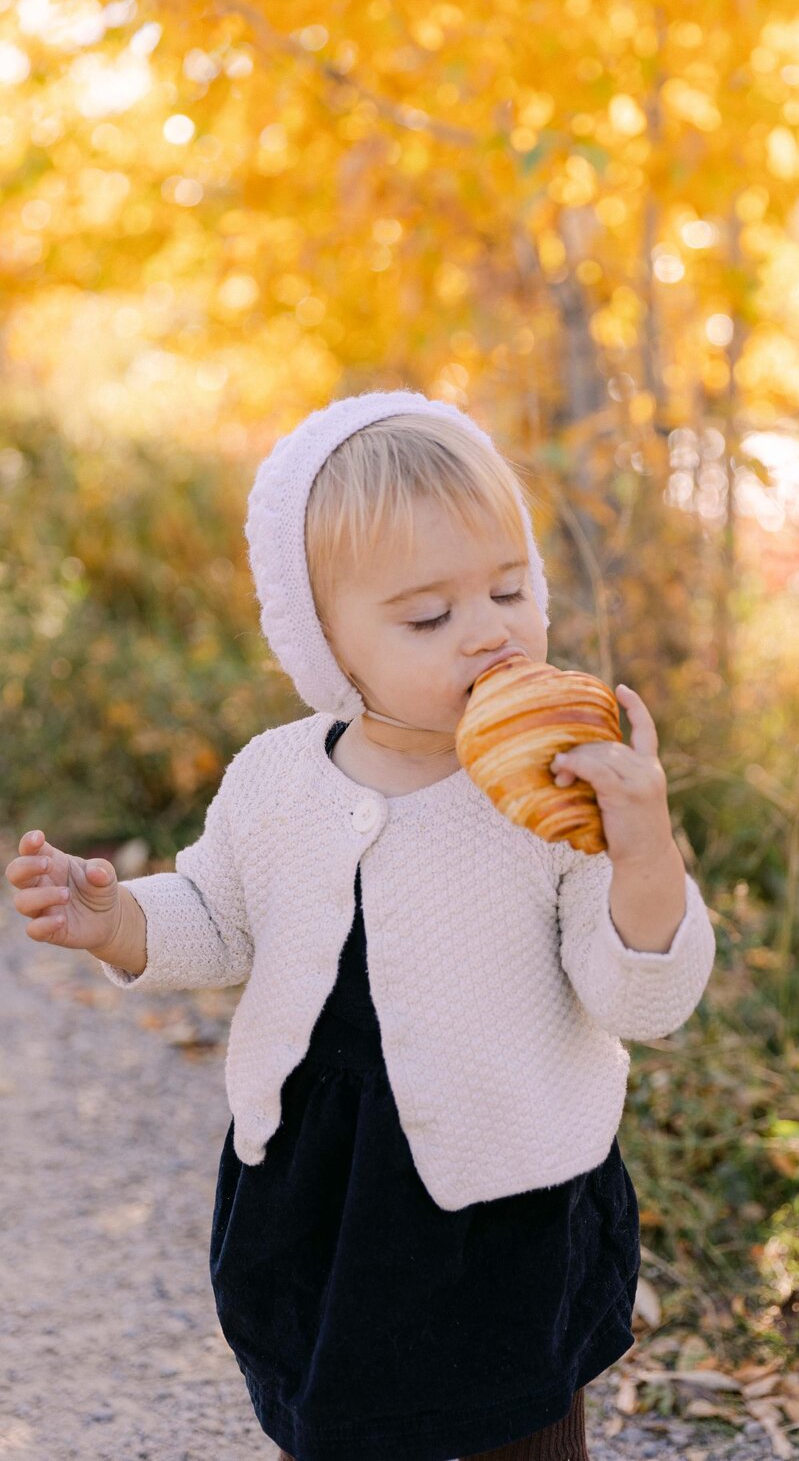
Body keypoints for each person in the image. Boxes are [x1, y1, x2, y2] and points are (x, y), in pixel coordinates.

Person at [5, 389, 717, 1461]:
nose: (487, 630)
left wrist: (645, 849)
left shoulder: (560, 800)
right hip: (322, 1187)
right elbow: (219, 916)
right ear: (325, 639)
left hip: (508, 1199)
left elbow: (640, 999)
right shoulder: (276, 778)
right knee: (337, 1418)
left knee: (519, 1428)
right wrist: (117, 924)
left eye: (510, 589)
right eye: (428, 616)